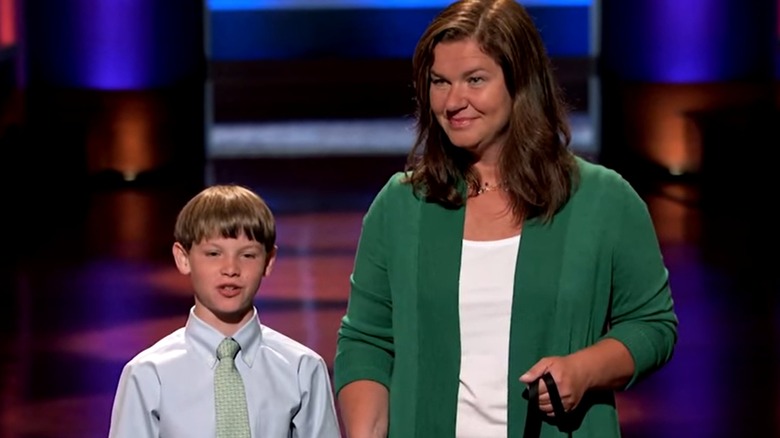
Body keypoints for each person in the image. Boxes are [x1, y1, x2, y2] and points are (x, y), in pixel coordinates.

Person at [333, 1, 678, 437]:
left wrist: (585, 369)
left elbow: (653, 325)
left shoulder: (603, 200)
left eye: (475, 80)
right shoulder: (402, 206)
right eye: (440, 82)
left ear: (521, 84)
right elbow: (367, 340)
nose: (453, 101)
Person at [108, 184, 341, 437]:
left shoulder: (302, 369)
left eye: (248, 255)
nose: (230, 268)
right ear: (183, 258)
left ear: (269, 261)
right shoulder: (148, 374)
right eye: (213, 253)